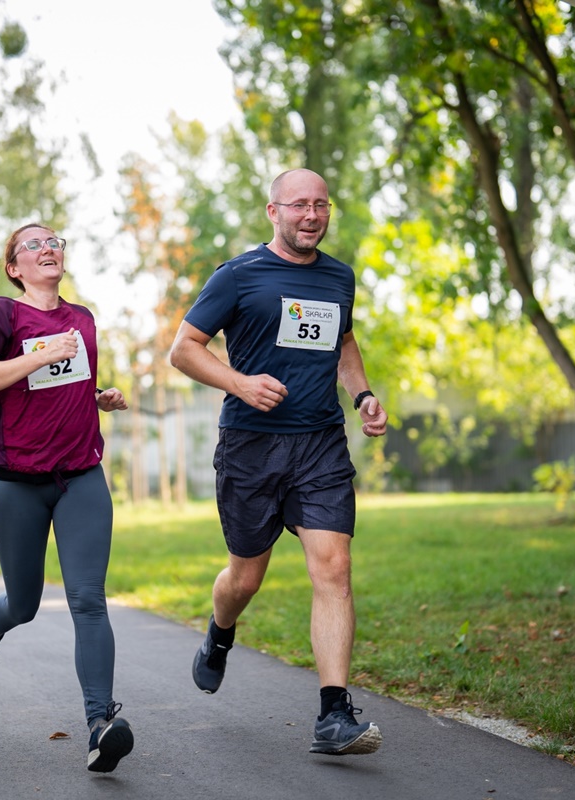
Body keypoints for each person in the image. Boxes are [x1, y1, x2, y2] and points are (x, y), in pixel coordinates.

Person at [169, 168, 389, 757]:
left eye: (321, 204)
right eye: (299, 205)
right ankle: (220, 632)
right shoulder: (239, 276)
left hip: (320, 444)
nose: (311, 215)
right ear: (274, 211)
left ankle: (333, 714)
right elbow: (183, 350)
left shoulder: (340, 277)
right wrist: (240, 384)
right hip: (251, 447)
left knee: (334, 567)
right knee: (246, 577)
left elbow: (343, 343)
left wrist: (362, 394)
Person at [0, 222, 135, 773]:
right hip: (17, 484)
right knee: (25, 603)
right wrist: (37, 356)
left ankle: (100, 724)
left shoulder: (81, 320)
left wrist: (98, 398)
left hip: (80, 476)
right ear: (15, 267)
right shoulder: (1, 315)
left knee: (88, 599)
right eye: (32, 244)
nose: (48, 247)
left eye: (54, 239)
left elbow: (62, 384)